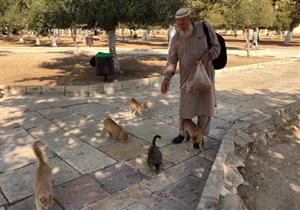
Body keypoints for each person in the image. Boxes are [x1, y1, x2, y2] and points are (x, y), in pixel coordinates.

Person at [161, 8, 221, 145]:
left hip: (205, 78)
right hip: (186, 80)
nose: (181, 27)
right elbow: (171, 60)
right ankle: (182, 133)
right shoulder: (176, 37)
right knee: (185, 108)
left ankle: (201, 136)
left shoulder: (205, 28)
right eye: (178, 24)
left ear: (191, 19)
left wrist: (207, 56)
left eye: (183, 24)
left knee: (205, 109)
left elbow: (217, 48)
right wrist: (167, 78)